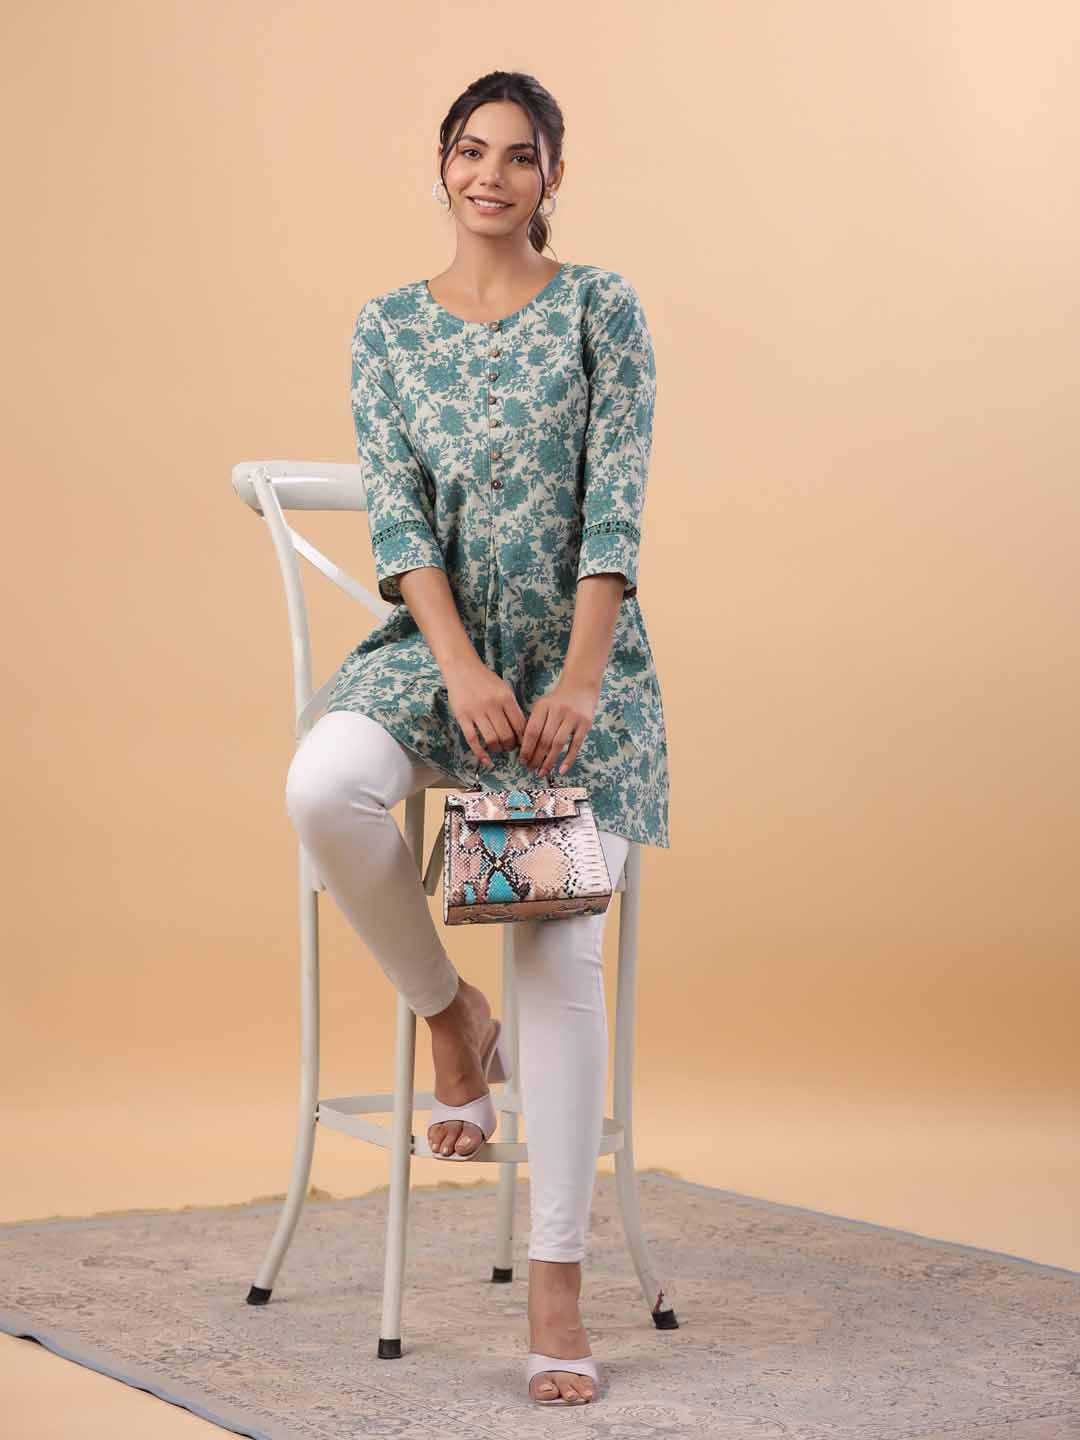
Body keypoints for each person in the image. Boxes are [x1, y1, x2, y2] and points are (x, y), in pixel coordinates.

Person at [284, 69, 670, 1407]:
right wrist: (452, 665)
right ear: (441, 165)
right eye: (469, 150)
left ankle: (557, 1281)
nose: (490, 176)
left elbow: (616, 509)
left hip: (578, 673)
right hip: (435, 655)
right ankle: (452, 1016)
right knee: (324, 785)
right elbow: (399, 518)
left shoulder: (603, 309)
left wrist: (577, 679)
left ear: (553, 175)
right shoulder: (386, 328)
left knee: (560, 941)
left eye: (517, 155)